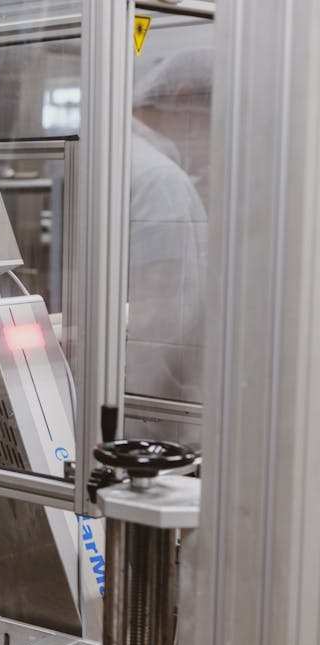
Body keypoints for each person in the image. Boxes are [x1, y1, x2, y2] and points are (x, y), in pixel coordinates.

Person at [126, 48, 212, 442]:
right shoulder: (160, 180)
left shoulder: (115, 154)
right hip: (154, 430)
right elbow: (157, 330)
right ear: (183, 98)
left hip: (108, 408)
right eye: (219, 124)